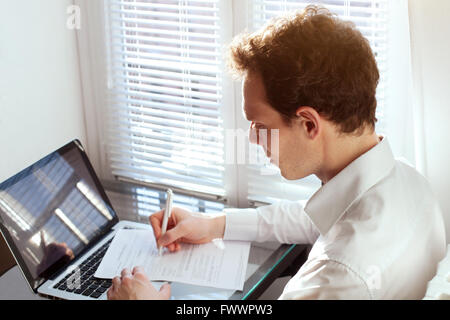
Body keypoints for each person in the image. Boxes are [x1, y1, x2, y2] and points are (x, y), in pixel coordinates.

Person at [107, 5, 446, 300]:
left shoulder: (339, 276)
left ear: (309, 124)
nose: (254, 139)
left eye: (260, 125)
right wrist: (214, 225)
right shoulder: (407, 182)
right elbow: (311, 217)